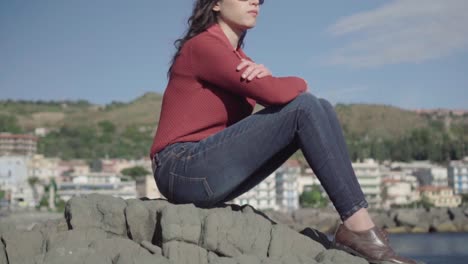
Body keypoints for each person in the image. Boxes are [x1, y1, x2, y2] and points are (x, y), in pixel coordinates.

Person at [149, 1, 418, 263]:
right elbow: (279, 94)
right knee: (306, 106)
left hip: (205, 174)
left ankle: (359, 228)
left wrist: (271, 81)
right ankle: (359, 229)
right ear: (216, 4)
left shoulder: (241, 61)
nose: (256, 1)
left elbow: (278, 99)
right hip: (180, 168)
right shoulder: (203, 46)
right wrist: (296, 81)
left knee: (321, 107)